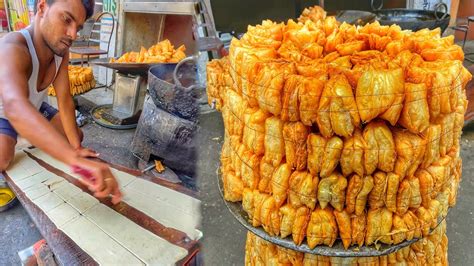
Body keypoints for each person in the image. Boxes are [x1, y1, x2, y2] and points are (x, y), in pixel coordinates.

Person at [0, 0, 121, 204]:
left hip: (35, 108)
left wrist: (76, 149)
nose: (73, 34)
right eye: (67, 19)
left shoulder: (60, 52)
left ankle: (30, 134)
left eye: (78, 27)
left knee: (76, 136)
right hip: (6, 112)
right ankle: (18, 136)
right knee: (3, 158)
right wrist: (75, 162)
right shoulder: (13, 46)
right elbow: (15, 106)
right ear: (42, 7)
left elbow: (64, 99)